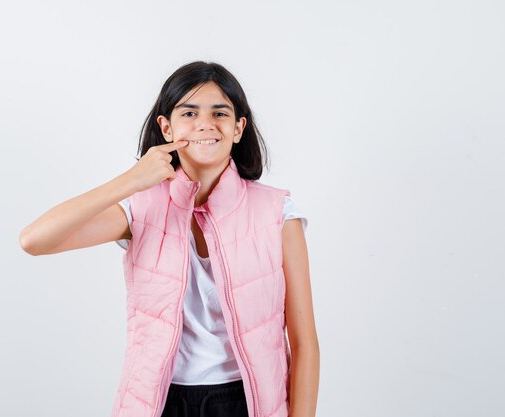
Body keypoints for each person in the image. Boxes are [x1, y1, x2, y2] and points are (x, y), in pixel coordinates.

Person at [19, 61, 319, 417]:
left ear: (239, 128)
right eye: (189, 112)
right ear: (166, 127)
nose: (205, 124)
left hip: (246, 402)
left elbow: (304, 343)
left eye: (220, 113)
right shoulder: (141, 209)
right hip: (158, 402)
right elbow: (34, 240)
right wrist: (130, 180)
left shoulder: (277, 211)